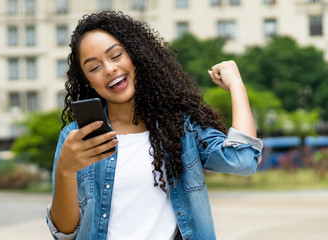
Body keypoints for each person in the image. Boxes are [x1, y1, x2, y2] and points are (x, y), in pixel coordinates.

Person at [46, 11, 263, 240]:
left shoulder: (180, 129)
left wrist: (237, 86)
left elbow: (243, 160)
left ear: (136, 56)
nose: (109, 69)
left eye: (116, 55)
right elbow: (65, 233)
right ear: (87, 80)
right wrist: (65, 170)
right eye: (94, 67)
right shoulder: (77, 137)